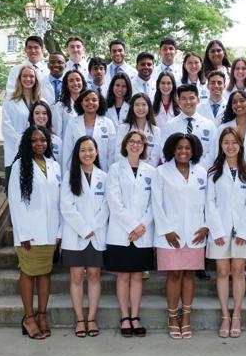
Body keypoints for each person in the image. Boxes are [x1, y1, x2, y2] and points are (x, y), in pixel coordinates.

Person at [152, 133, 208, 339]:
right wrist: (166, 229)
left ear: (193, 151)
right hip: (170, 233)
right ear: (172, 150)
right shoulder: (160, 172)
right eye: (179, 148)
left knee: (189, 274)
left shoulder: (202, 172)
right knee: (174, 274)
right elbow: (156, 203)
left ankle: (186, 317)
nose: (183, 151)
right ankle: (172, 317)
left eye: (187, 148)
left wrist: (206, 226)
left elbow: (209, 202)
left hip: (195, 232)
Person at [8, 125, 61, 340]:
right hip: (29, 232)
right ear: (27, 144)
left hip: (49, 230)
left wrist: (59, 232)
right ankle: (28, 317)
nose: (39, 144)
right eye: (34, 140)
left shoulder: (55, 165)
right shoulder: (20, 165)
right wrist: (23, 234)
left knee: (45, 273)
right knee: (28, 274)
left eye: (43, 140)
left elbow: (59, 201)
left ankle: (42, 315)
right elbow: (15, 202)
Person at [206, 127, 246, 338]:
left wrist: (245, 230)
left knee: (238, 272)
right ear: (221, 145)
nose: (230, 146)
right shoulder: (214, 172)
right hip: (220, 231)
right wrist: (216, 230)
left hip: (242, 232)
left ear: (241, 145)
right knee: (221, 272)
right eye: (226, 142)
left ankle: (237, 314)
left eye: (234, 142)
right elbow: (209, 203)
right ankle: (225, 316)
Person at [105, 130, 156, 337]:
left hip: (142, 233)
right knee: (123, 276)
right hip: (121, 232)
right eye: (132, 142)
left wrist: (142, 226)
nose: (135, 145)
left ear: (144, 147)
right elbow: (114, 203)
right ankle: (124, 317)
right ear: (125, 145)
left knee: (137, 276)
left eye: (139, 142)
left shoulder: (151, 171)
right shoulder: (115, 169)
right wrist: (133, 227)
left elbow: (155, 203)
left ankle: (135, 316)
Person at [59, 136, 109, 338]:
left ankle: (92, 318)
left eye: (90, 149)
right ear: (77, 154)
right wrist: (83, 228)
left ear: (96, 152)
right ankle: (80, 319)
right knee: (77, 276)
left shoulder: (104, 176)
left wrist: (93, 227)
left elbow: (107, 205)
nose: (87, 154)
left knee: (95, 276)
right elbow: (66, 206)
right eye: (83, 150)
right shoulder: (70, 176)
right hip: (75, 235)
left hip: (96, 235)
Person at [1, 65, 42, 192]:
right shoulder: (9, 99)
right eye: (24, 76)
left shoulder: (41, 100)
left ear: (36, 79)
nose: (28, 79)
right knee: (14, 190)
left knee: (34, 190)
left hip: (36, 151)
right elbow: (6, 126)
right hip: (14, 149)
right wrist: (22, 142)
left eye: (31, 76)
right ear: (19, 79)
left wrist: (34, 144)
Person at [161, 83, 216, 169]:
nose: (188, 102)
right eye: (183, 99)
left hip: (202, 173)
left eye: (191, 98)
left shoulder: (209, 125)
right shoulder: (169, 125)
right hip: (175, 173)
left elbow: (213, 152)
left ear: (198, 100)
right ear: (178, 101)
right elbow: (164, 151)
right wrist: (179, 168)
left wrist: (197, 169)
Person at [61, 90, 116, 174]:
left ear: (99, 103)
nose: (90, 102)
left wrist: (110, 174)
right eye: (86, 100)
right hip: (78, 171)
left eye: (94, 100)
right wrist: (67, 173)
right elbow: (67, 151)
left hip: (102, 171)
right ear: (81, 102)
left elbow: (112, 152)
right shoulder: (73, 122)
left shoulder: (108, 123)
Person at [115, 93, 162, 167]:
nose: (140, 108)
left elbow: (154, 157)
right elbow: (118, 154)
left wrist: (143, 171)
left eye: (143, 104)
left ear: (149, 107)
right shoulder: (122, 128)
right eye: (137, 105)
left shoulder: (156, 131)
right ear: (132, 107)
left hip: (148, 173)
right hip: (126, 171)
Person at [52, 69, 86, 140]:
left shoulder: (88, 104)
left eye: (78, 80)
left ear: (82, 82)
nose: (75, 83)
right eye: (71, 81)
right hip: (67, 147)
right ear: (66, 85)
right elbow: (57, 133)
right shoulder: (59, 106)